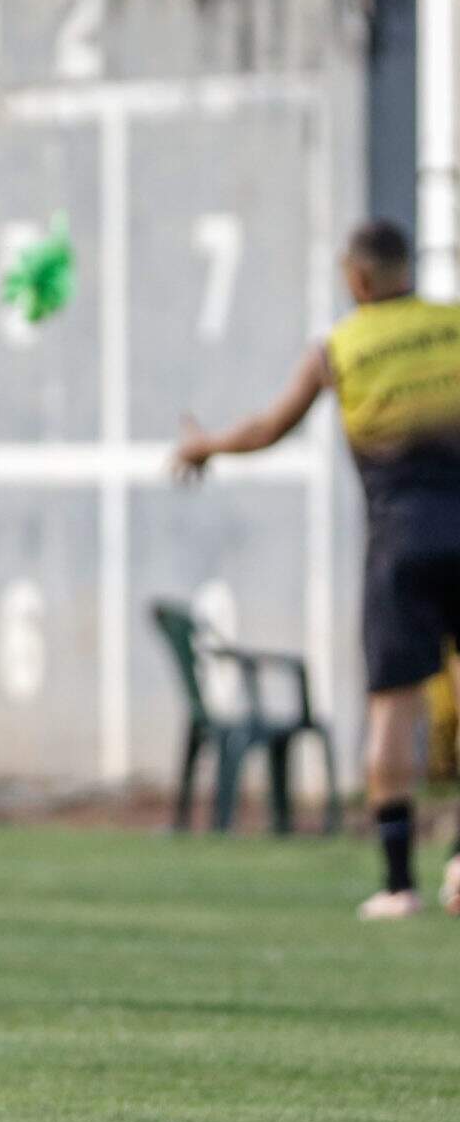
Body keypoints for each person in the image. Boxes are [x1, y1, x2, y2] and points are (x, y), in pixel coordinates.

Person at [177, 219, 460, 920]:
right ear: (407, 271)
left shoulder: (338, 346)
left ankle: (399, 885)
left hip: (397, 541)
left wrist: (206, 445)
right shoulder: (453, 325)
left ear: (358, 279)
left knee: (393, 703)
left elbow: (270, 426)